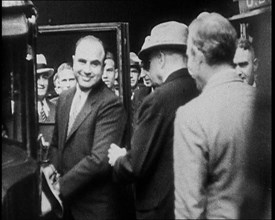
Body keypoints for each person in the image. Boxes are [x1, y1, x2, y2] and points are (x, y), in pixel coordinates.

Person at [108, 21, 199, 219]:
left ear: (161, 58)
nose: (146, 71)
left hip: (160, 212)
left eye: (148, 62)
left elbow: (135, 166)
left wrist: (118, 159)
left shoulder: (157, 100)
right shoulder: (200, 89)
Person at [173, 12, 257, 219]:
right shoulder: (263, 103)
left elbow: (189, 210)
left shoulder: (191, 116)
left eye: (188, 55)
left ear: (198, 55)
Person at [49, 35, 134, 220]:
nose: (87, 70)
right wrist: (51, 173)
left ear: (103, 67)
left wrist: (57, 188)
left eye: (94, 64)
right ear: (73, 62)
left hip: (95, 211)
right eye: (82, 62)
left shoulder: (111, 104)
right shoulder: (64, 98)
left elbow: (99, 161)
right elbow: (56, 143)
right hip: (65, 209)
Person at [37, 54, 56, 143]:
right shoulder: (21, 113)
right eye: (37, 78)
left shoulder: (57, 109)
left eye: (44, 77)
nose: (41, 83)